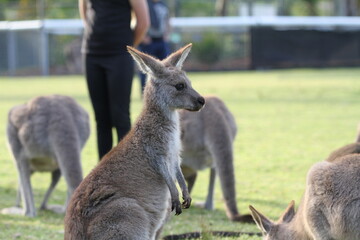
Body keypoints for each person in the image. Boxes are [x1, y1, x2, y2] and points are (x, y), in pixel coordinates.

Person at [79, 0, 150, 160]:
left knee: (120, 116)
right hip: (92, 53)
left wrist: (127, 45)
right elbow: (85, 13)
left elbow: (144, 22)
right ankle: (102, 176)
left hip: (119, 55)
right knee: (101, 119)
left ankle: (125, 173)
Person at [139, 0, 170, 93]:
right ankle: (145, 92)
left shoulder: (163, 4)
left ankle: (166, 91)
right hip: (148, 41)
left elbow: (167, 20)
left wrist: (167, 34)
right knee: (146, 69)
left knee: (167, 67)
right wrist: (143, 37)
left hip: (161, 40)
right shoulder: (144, 3)